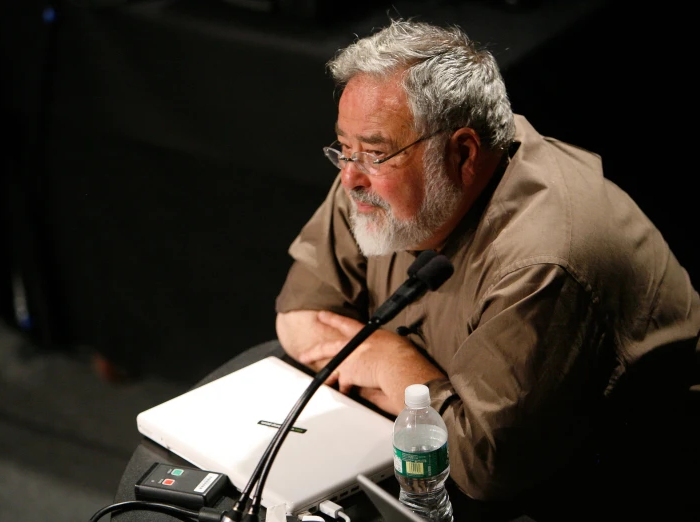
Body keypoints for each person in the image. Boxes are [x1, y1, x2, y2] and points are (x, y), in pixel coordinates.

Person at [274, 19, 700, 522]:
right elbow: (300, 317)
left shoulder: (545, 259)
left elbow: (483, 466)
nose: (350, 175)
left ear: (463, 153)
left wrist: (389, 362)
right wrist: (422, 406)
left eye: (373, 152)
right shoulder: (373, 187)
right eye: (344, 148)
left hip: (610, 490)